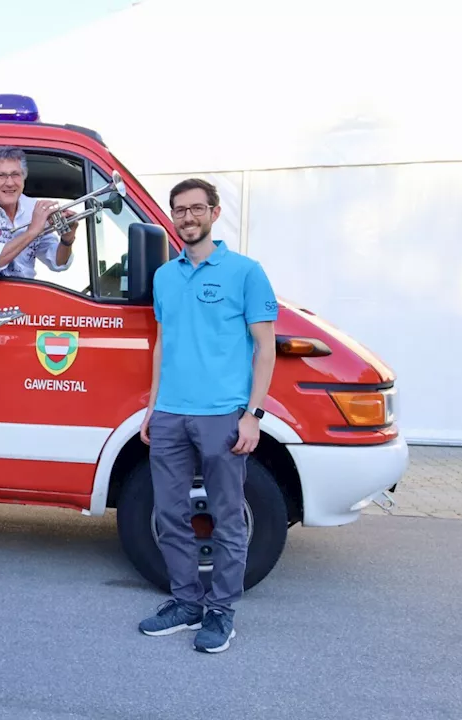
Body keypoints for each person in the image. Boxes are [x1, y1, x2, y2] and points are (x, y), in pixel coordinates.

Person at [137, 178, 278, 654]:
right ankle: (186, 603)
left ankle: (221, 613)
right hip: (172, 414)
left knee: (227, 518)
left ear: (215, 213)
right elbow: (162, 344)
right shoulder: (164, 276)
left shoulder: (246, 272)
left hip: (222, 416)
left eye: (197, 209)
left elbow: (265, 348)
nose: (187, 217)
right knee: (170, 514)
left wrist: (253, 414)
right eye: (180, 210)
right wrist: (153, 408)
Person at [0, 145, 78, 280]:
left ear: (24, 179)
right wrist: (32, 232)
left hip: (25, 292)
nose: (10, 183)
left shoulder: (33, 208)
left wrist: (67, 240)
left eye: (15, 175)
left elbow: (58, 263)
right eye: (1, 176)